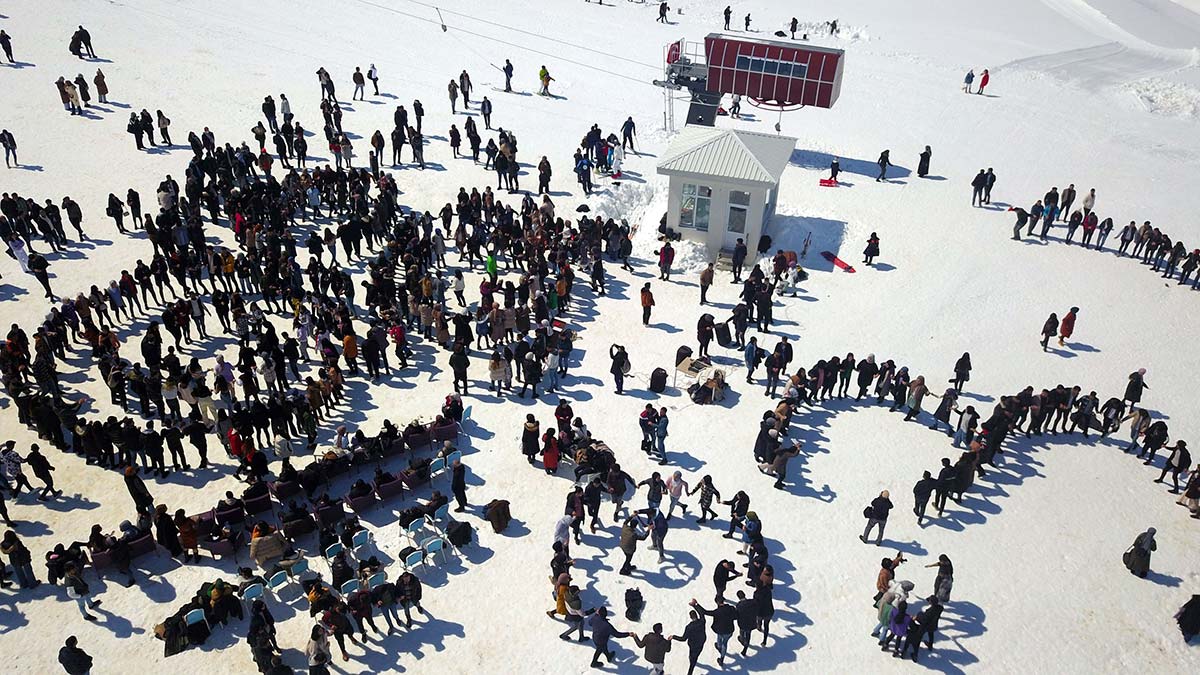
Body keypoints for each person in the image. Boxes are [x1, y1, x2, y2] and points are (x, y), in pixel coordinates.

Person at [672, 609, 707, 675]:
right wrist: (695, 605)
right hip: (701, 642)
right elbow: (701, 613)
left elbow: (683, 638)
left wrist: (673, 637)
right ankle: (693, 659)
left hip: (693, 645)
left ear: (690, 617)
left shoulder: (689, 627)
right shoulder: (702, 621)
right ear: (696, 615)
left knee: (692, 660)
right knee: (697, 653)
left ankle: (690, 672)